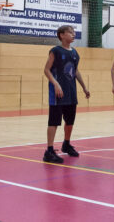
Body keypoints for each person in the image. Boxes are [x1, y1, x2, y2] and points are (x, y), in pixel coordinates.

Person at [43, 25, 90, 163]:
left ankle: (66, 144)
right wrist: (55, 83)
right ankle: (49, 151)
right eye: (70, 32)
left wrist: (84, 87)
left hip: (71, 92)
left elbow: (75, 71)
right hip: (58, 93)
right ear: (62, 35)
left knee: (70, 121)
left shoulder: (75, 53)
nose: (73, 34)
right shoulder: (55, 51)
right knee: (54, 121)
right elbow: (46, 70)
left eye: (74, 32)